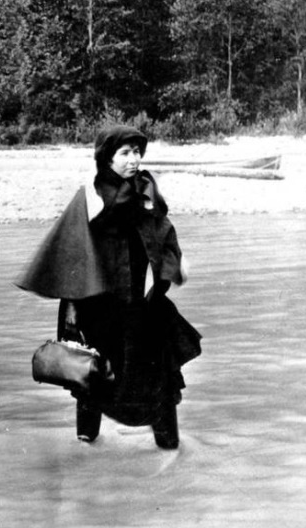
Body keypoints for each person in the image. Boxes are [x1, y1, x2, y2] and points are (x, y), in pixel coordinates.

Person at [16, 124, 201, 449]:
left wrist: (173, 266)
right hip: (100, 306)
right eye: (125, 153)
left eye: (137, 152)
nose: (134, 159)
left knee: (160, 378)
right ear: (107, 157)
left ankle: (169, 447)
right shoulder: (90, 195)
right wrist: (72, 311)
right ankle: (86, 442)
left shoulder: (146, 191)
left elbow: (163, 234)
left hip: (144, 305)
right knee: (94, 375)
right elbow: (69, 253)